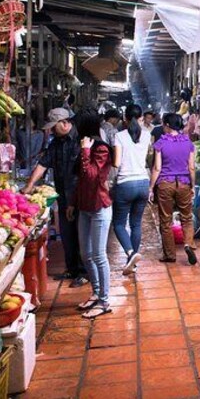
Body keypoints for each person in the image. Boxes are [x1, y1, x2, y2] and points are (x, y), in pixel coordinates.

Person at [23, 108, 86, 287]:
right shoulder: (56, 143)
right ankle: (72, 268)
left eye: (53, 127)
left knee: (81, 235)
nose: (51, 131)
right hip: (63, 196)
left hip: (79, 197)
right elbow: (43, 164)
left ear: (65, 123)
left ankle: (83, 272)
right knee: (67, 234)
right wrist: (30, 185)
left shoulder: (81, 140)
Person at [72, 109, 114, 319]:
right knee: (85, 255)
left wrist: (86, 151)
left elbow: (91, 176)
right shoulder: (84, 146)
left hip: (99, 207)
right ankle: (96, 292)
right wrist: (73, 203)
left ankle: (105, 301)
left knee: (98, 255)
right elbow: (80, 180)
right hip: (84, 207)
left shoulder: (101, 149)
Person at [149, 113, 198, 264]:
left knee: (166, 220)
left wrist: (151, 187)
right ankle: (188, 244)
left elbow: (157, 168)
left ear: (168, 126)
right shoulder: (188, 142)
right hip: (184, 182)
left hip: (165, 183)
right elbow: (191, 167)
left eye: (164, 124)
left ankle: (170, 254)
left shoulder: (161, 143)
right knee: (187, 217)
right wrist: (193, 185)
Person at [112, 104, 152, 276]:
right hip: (143, 182)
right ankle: (132, 264)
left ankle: (130, 253)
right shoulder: (147, 135)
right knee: (136, 224)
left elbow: (116, 163)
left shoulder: (119, 136)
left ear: (125, 119)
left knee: (119, 224)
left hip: (125, 184)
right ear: (141, 117)